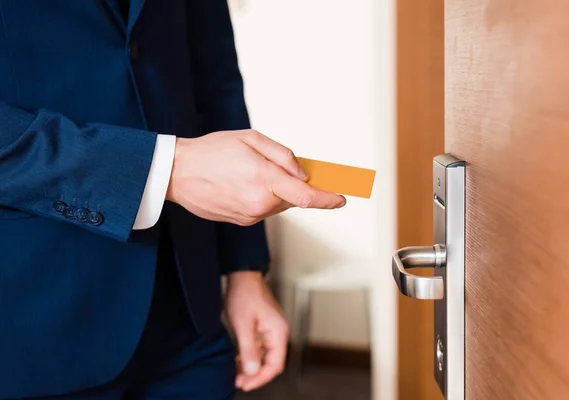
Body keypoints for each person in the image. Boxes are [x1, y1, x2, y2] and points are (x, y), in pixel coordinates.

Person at [0, 1, 346, 399]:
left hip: (190, 325)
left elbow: (215, 83)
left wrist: (244, 271)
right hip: (31, 329)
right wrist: (163, 169)